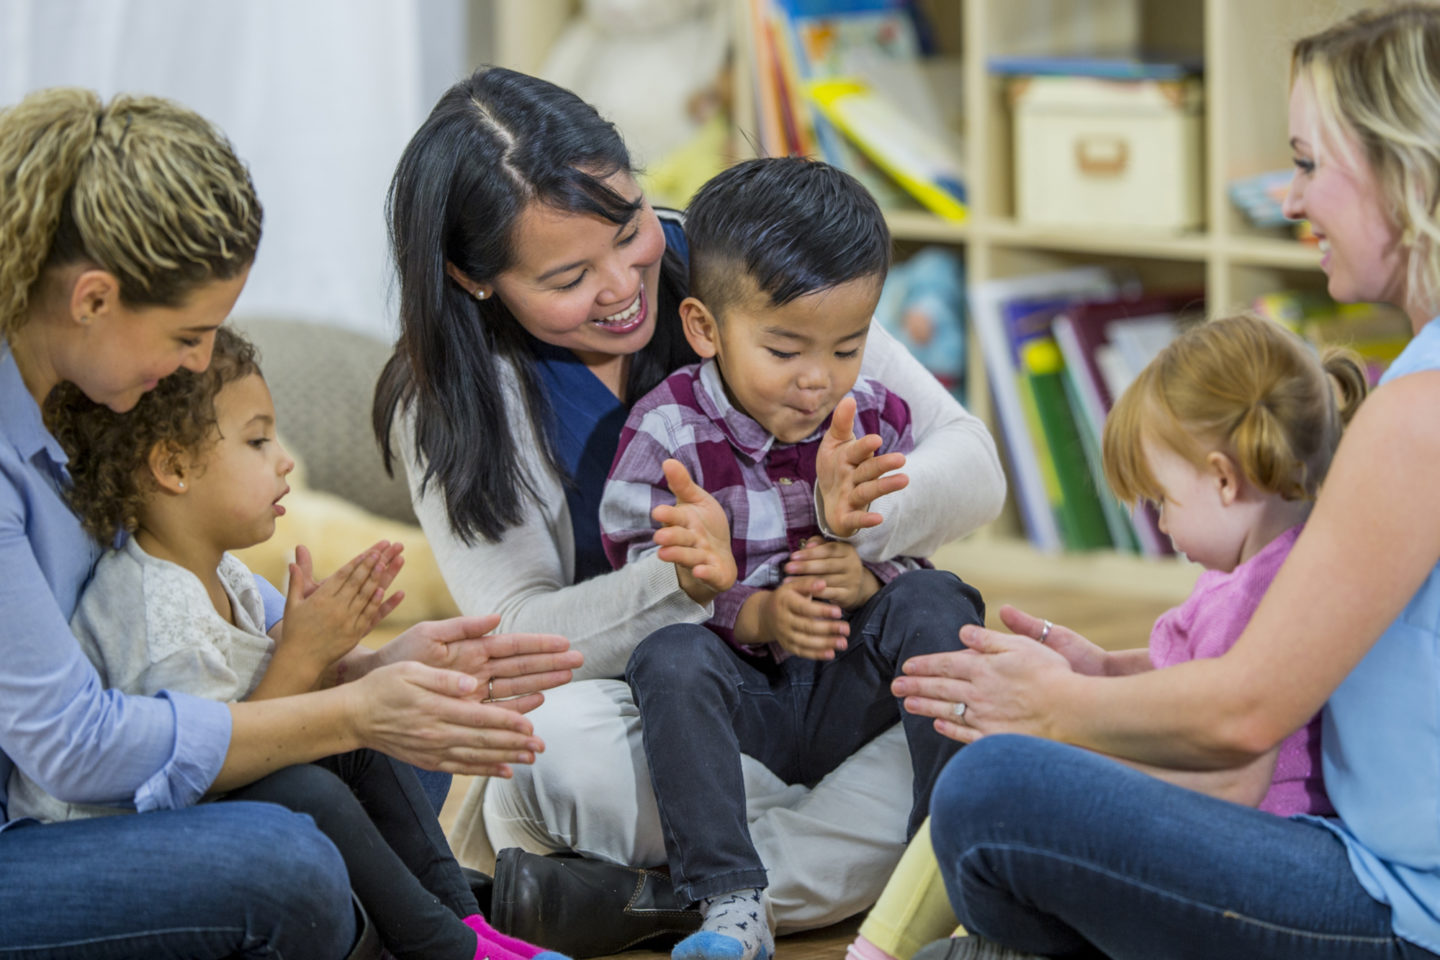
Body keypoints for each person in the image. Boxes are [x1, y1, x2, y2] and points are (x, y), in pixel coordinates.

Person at [372, 66, 1005, 933]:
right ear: (475, 278)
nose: (625, 285)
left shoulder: (737, 264)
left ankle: (667, 901)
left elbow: (972, 464)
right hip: (670, 697)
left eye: (628, 227)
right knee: (558, 752)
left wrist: (851, 519)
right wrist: (683, 583)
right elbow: (517, 637)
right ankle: (862, 869)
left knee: (970, 680)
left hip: (829, 668)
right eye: (567, 279)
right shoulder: (445, 400)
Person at [891, 6, 1440, 959]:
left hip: (1395, 906)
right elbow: (1291, 647)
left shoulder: (1418, 414)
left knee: (992, 794)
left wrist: (1057, 708)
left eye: (1310, 163)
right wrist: (1109, 676)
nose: (1291, 197)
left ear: (1405, 168)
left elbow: (1246, 712)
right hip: (1375, 870)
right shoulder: (1411, 383)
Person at [0, 86, 581, 959]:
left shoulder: (85, 402)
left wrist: (377, 669)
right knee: (290, 860)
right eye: (189, 335)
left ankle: (427, 919)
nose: (196, 365)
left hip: (105, 791)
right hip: (32, 827)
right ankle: (419, 918)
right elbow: (76, 747)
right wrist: (348, 708)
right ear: (91, 300)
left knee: (409, 743)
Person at [10, 326, 569, 960]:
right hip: (121, 836)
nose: (284, 461)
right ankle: (440, 947)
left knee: (372, 747)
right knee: (310, 790)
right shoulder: (152, 611)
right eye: (257, 440)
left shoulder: (221, 572)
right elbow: (208, 777)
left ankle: (465, 926)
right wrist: (302, 658)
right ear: (172, 466)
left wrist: (373, 662)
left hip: (202, 800)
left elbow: (271, 708)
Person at [849, 311, 1365, 960]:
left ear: (1225, 480)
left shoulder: (1259, 590)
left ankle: (882, 951)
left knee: (997, 777)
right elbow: (1205, 677)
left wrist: (1071, 737)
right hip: (1245, 830)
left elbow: (1232, 782)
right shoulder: (1264, 564)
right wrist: (1106, 669)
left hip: (1246, 841)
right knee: (999, 782)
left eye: (1162, 500)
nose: (1163, 525)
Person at [599, 157, 984, 960]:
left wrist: (867, 563)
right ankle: (732, 905)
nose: (819, 381)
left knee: (942, 600)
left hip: (847, 685)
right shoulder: (666, 431)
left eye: (847, 348)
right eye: (784, 350)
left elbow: (910, 547)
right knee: (669, 658)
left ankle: (943, 876)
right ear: (706, 328)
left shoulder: (875, 413)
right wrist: (746, 605)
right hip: (749, 707)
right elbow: (638, 586)